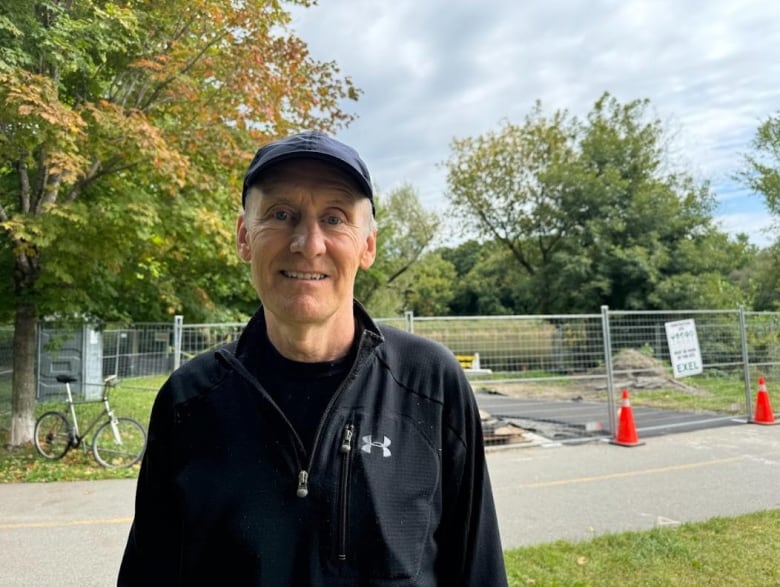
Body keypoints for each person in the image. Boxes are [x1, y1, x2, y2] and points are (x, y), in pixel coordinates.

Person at [118, 131, 508, 586]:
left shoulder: (431, 385)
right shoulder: (189, 401)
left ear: (368, 246)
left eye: (335, 218)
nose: (309, 243)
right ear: (245, 237)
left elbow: (478, 571)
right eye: (281, 214)